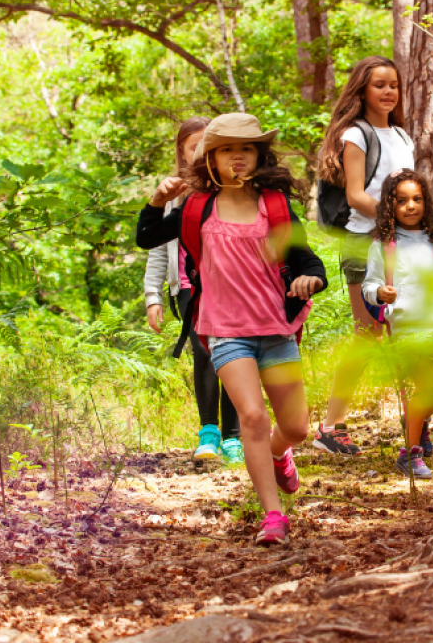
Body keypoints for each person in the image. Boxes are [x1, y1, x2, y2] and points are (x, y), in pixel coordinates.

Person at [136, 113, 327, 546]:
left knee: (296, 428)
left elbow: (307, 261)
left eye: (245, 149)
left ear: (259, 155)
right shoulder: (196, 208)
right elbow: (147, 238)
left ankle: (281, 453)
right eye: (226, 150)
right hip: (225, 332)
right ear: (211, 159)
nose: (236, 158)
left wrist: (309, 279)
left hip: (275, 330)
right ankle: (273, 516)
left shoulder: (274, 205)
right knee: (253, 418)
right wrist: (155, 200)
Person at [314, 57, 433, 455]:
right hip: (364, 242)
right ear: (362, 91)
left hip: (402, 244)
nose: (388, 92)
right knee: (367, 334)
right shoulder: (356, 134)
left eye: (394, 85)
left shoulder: (401, 135)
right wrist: (393, 224)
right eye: (379, 85)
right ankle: (330, 426)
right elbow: (354, 195)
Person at [362, 169, 433, 480]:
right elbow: (368, 286)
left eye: (417, 199)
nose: (411, 206)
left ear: (426, 203)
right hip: (407, 329)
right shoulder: (384, 245)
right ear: (390, 206)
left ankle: (417, 421)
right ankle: (409, 454)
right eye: (402, 201)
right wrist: (381, 292)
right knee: (424, 388)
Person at [143, 117, 242, 464]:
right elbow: (156, 246)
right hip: (188, 286)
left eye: (207, 145)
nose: (201, 151)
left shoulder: (229, 185)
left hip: (230, 285)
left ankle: (233, 437)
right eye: (193, 146)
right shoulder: (173, 191)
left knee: (233, 354)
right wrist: (153, 296)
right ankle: (209, 433)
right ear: (182, 153)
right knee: (205, 351)